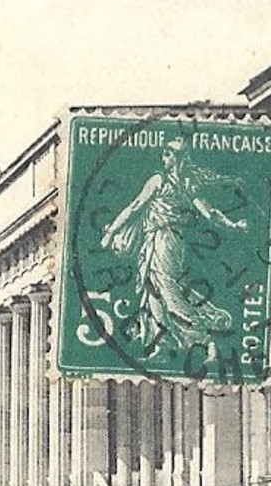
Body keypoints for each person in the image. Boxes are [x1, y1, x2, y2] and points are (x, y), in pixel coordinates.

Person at [99, 136, 247, 357]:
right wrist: (233, 225)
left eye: (168, 154)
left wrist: (111, 232)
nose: (163, 157)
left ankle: (205, 339)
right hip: (161, 241)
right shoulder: (187, 184)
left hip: (165, 241)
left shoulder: (160, 181)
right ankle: (162, 342)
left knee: (167, 289)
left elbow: (135, 207)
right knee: (153, 290)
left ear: (177, 158)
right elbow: (210, 213)